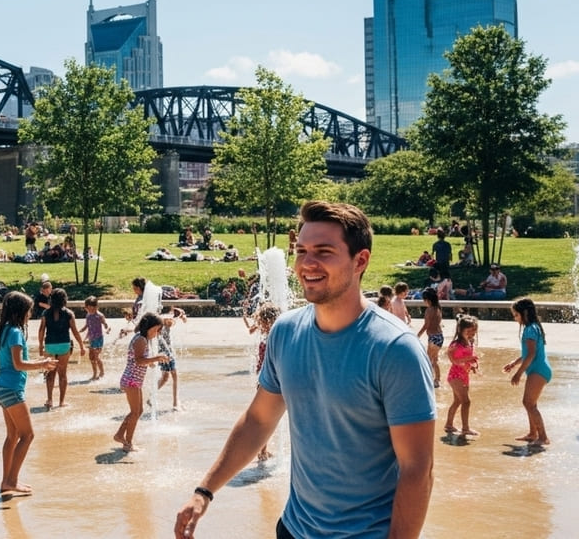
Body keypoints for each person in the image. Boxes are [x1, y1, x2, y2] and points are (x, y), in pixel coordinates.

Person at [175, 201, 435, 539]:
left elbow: (417, 470)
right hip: (294, 529)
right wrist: (204, 492)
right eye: (301, 251)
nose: (307, 264)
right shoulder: (285, 332)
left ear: (361, 261)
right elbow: (259, 421)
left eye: (324, 252)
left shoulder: (395, 349)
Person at [0, 291, 56, 497]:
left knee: (12, 436)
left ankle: (6, 481)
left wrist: (31, 362)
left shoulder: (3, 330)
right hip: (11, 389)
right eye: (29, 311)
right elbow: (19, 364)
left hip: (1, 388)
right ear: (20, 312)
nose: (30, 314)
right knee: (28, 435)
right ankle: (11, 480)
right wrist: (42, 363)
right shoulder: (16, 333)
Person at [115, 313, 170, 452]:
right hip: (131, 380)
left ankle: (120, 435)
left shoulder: (142, 338)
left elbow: (139, 359)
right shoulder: (141, 340)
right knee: (135, 412)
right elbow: (139, 360)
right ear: (148, 327)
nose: (157, 334)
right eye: (156, 330)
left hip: (134, 380)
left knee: (138, 411)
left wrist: (150, 362)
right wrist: (155, 358)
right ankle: (128, 443)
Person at [503, 297, 551, 445]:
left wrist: (518, 374)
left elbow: (531, 355)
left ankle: (543, 437)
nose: (515, 318)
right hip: (538, 369)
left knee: (528, 403)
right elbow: (527, 353)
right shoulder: (534, 327)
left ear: (524, 313)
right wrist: (514, 363)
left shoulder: (530, 330)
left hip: (538, 370)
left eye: (516, 315)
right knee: (531, 403)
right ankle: (532, 433)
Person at [243, 301, 281, 461]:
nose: (261, 326)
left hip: (269, 380)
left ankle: (263, 450)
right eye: (260, 322)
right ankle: (261, 451)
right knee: (265, 418)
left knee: (266, 418)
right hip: (266, 381)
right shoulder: (271, 336)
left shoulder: (274, 335)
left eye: (263, 322)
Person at [38, 288, 85, 409]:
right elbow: (75, 331)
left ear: (51, 299)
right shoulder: (69, 313)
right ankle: (61, 402)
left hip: (50, 345)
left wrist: (40, 345)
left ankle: (49, 400)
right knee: (62, 374)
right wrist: (81, 345)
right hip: (64, 345)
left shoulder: (45, 313)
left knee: (50, 373)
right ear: (64, 299)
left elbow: (41, 330)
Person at [443, 316, 480, 436]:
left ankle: (449, 425)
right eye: (468, 331)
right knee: (466, 401)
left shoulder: (468, 343)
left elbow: (465, 361)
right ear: (460, 330)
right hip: (455, 376)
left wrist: (472, 366)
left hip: (464, 375)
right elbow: (453, 360)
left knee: (457, 401)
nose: (471, 334)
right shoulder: (455, 344)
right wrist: (469, 358)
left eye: (473, 332)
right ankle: (465, 428)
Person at [158, 306, 187, 410]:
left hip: (161, 353)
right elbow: (172, 321)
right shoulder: (165, 320)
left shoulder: (161, 321)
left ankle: (152, 397)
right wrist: (180, 315)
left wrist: (180, 315)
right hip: (167, 353)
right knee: (174, 376)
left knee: (165, 378)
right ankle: (175, 403)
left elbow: (175, 320)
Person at [417, 287, 444, 388]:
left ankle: (433, 379)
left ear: (427, 300)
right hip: (440, 336)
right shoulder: (438, 307)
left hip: (433, 337)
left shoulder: (429, 310)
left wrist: (418, 335)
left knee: (430, 359)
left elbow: (426, 325)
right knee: (433, 359)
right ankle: (436, 379)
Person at [83, 296, 111, 381]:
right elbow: (87, 327)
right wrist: (81, 334)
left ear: (97, 307)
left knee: (96, 356)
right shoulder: (88, 316)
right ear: (86, 308)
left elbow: (105, 324)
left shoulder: (99, 315)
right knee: (91, 357)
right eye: (89, 308)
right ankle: (95, 373)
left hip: (98, 339)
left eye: (93, 308)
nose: (91, 310)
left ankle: (101, 372)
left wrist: (107, 326)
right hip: (91, 339)